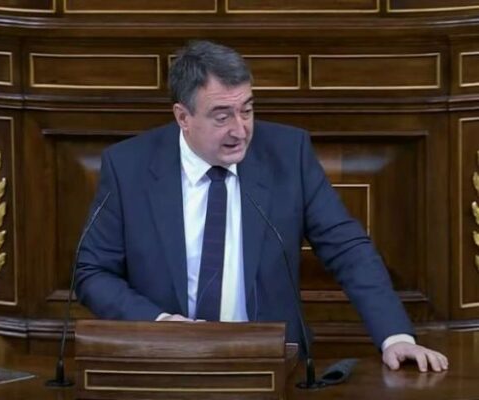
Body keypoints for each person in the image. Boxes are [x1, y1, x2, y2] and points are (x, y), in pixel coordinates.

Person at [75, 40, 448, 373]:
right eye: (222, 116)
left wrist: (395, 336)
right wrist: (159, 323)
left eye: (247, 110)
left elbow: (348, 249)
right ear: (183, 117)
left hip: (272, 364)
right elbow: (92, 271)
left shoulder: (287, 154)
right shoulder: (129, 167)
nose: (240, 130)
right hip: (162, 363)